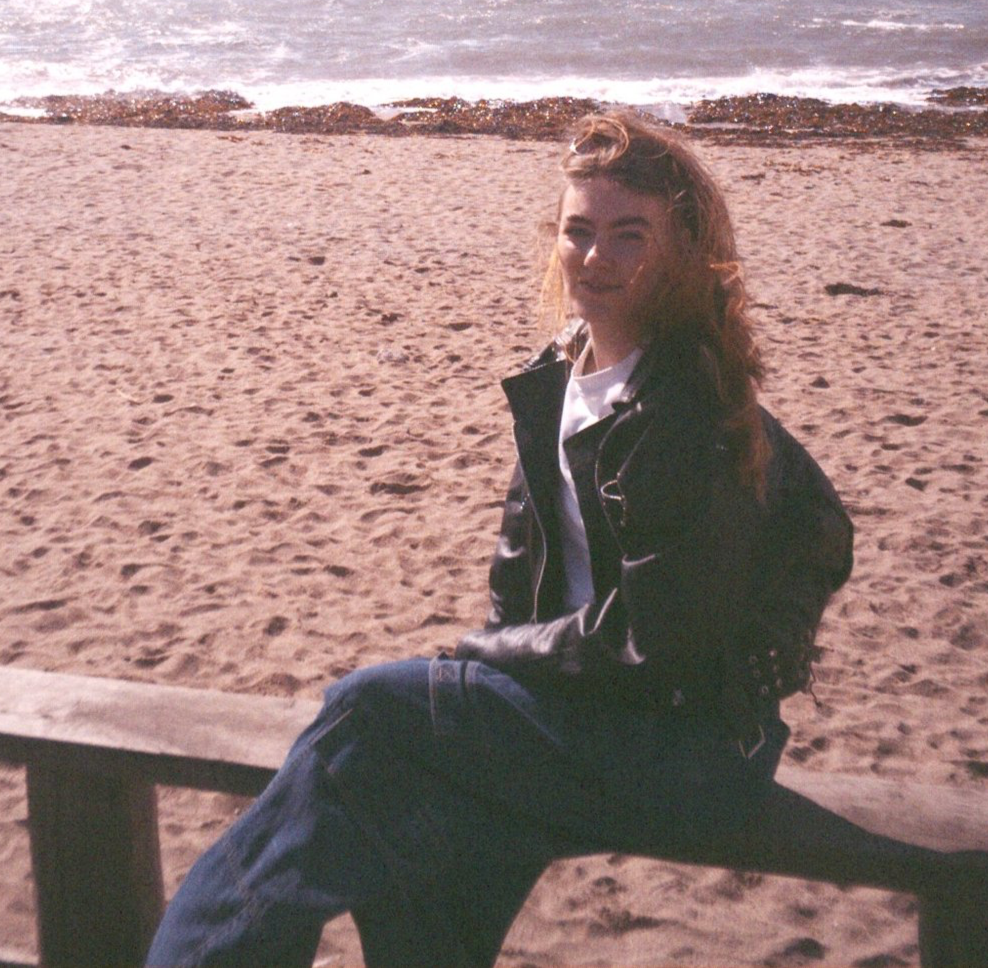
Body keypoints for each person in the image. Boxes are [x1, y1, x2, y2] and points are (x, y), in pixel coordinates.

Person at [147, 110, 857, 968]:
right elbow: (520, 580)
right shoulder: (559, 376)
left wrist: (483, 658)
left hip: (684, 750)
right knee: (415, 820)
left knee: (366, 715)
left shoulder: (686, 409)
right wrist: (479, 685)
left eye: (630, 235)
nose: (596, 257)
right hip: (582, 717)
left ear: (680, 254)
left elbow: (654, 642)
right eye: (578, 230)